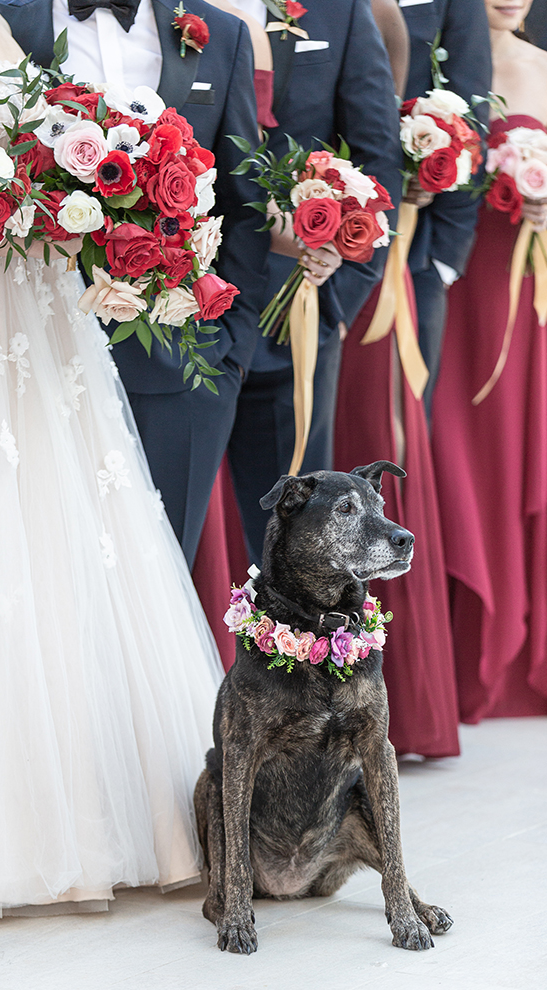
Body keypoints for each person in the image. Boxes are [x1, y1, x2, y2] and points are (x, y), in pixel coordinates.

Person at [0, 0, 224, 918]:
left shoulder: (5, 29)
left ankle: (100, 819)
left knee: (72, 538)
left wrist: (98, 211)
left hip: (45, 316)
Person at [0, 0, 269, 570]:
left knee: (160, 583)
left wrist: (229, 352)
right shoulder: (2, 21)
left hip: (181, 373)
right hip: (31, 358)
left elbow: (246, 209)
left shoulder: (222, 35)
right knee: (40, 581)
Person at [225, 0, 403, 568]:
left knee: (299, 556)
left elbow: (377, 155)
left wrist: (337, 300)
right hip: (168, 309)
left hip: (295, 316)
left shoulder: (339, 11)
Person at [331, 0, 460, 758]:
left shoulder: (365, 13)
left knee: (371, 467)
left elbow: (377, 142)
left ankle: (393, 709)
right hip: (266, 278)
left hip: (360, 279)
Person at [431, 0, 547, 722]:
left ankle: (518, 656)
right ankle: (461, 654)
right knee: (453, 447)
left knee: (519, 448)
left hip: (529, 292)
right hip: (458, 280)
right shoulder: (444, 67)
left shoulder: (544, 68)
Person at [399, 0, 492, 418]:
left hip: (417, 252)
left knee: (399, 421)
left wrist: (442, 262)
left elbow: (471, 117)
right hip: (307, 243)